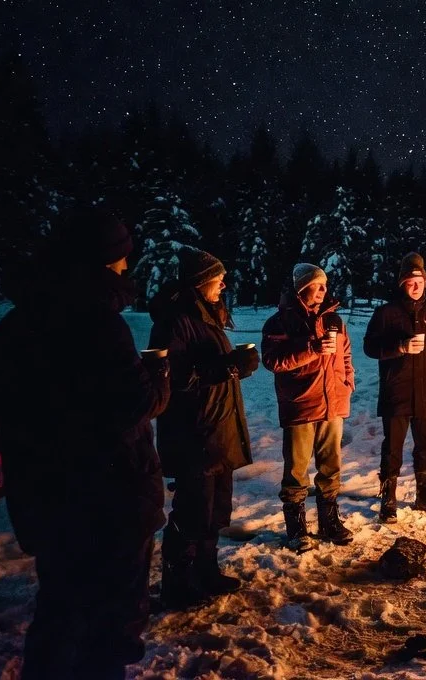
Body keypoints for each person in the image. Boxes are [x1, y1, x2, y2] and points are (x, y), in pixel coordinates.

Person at [0, 207, 171, 679]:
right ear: (105, 261)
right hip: (109, 499)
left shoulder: (15, 326)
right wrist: (157, 375)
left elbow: (3, 405)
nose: (127, 267)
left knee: (61, 608)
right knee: (109, 621)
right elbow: (132, 405)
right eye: (123, 258)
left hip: (45, 496)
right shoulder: (99, 324)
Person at [149, 247, 258, 609]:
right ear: (200, 282)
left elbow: (212, 369)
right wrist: (228, 367)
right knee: (192, 511)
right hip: (194, 433)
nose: (224, 284)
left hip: (217, 430)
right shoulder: (175, 321)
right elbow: (174, 377)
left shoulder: (207, 317)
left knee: (214, 510)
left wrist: (236, 365)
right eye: (218, 278)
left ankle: (206, 570)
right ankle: (177, 583)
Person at [262, 263, 355, 550]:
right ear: (302, 287)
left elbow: (346, 354)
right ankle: (296, 527)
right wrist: (312, 349)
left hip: (332, 403)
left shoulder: (334, 320)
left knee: (331, 466)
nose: (324, 290)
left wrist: (347, 383)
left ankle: (329, 521)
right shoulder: (280, 322)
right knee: (296, 469)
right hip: (300, 404)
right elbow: (274, 361)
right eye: (318, 285)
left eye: (325, 285)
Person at [362, 253, 426, 522]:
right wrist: (399, 347)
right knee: (393, 448)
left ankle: (424, 494)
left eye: (420, 282)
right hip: (397, 393)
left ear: (425, 283)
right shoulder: (386, 313)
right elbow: (369, 347)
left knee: (425, 446)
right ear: (402, 284)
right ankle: (388, 499)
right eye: (411, 282)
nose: (416, 286)